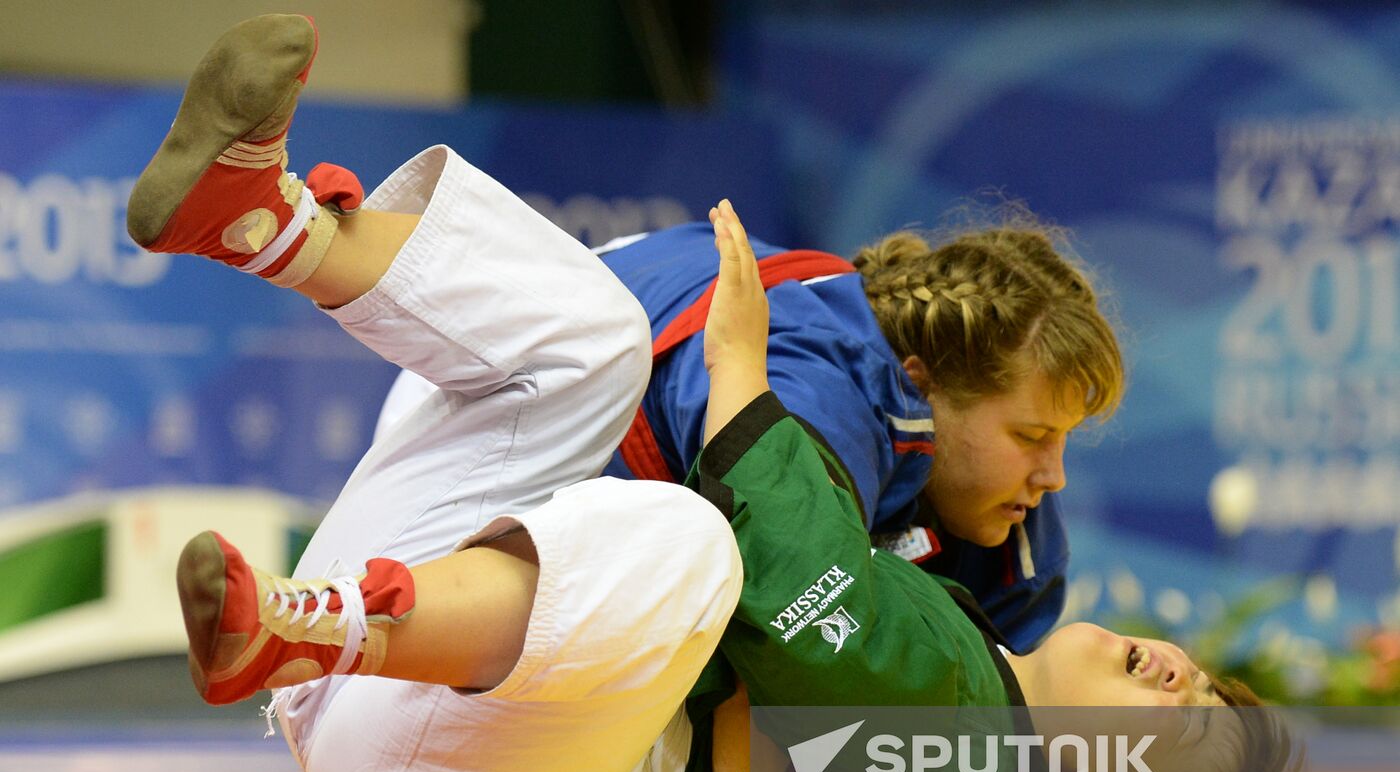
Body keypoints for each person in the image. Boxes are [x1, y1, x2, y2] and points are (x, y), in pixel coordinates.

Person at [131, 14, 1298, 772]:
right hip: (412, 659)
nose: (1175, 669)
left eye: (1183, 721)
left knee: (696, 544)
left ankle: (310, 629)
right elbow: (782, 739)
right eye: (1197, 671)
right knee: (596, 337)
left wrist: (739, 374)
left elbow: (793, 636)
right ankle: (263, 221)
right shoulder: (983, 660)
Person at [374, 179, 1123, 656]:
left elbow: (986, 727)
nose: (1051, 475)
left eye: (1063, 440)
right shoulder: (825, 391)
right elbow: (785, 642)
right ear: (924, 385)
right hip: (470, 425)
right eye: (1030, 436)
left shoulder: (1010, 535)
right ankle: (297, 236)